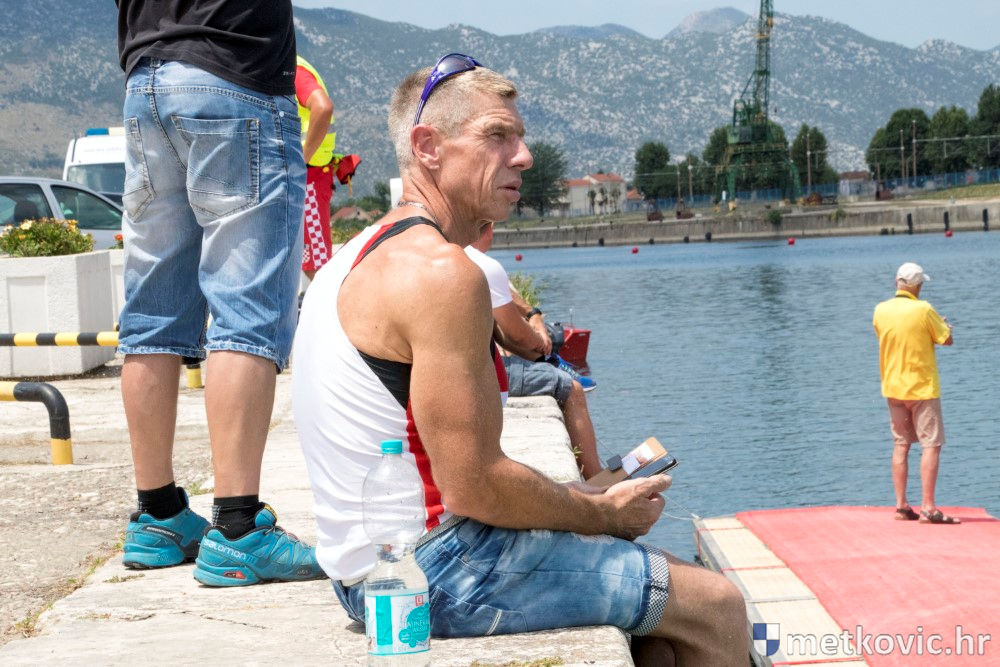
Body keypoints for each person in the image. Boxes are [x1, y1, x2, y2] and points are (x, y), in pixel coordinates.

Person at [292, 53, 746, 664]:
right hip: (435, 570)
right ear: (427, 147)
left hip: (367, 571)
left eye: (521, 137)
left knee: (662, 642)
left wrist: (573, 499)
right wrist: (599, 514)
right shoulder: (442, 273)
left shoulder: (351, 258)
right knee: (717, 606)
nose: (524, 157)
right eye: (497, 136)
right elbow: (472, 486)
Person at [115, 0, 323, 585]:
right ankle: (238, 528)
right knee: (246, 313)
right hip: (235, 75)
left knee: (152, 314)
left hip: (147, 82)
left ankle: (157, 516)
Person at [465, 223, 603, 478]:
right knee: (572, 389)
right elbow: (516, 334)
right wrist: (540, 338)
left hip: (452, 368)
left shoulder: (448, 254)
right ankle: (597, 479)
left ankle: (548, 361)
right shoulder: (483, 264)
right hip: (477, 375)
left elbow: (502, 328)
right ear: (490, 228)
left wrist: (532, 321)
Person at [873, 262, 959, 525]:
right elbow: (946, 339)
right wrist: (945, 327)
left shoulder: (880, 310)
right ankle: (928, 508)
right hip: (921, 389)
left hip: (893, 388)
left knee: (901, 444)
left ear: (896, 282)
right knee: (931, 445)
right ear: (918, 286)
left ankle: (901, 506)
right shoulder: (924, 309)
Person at [295, 55, 337, 281]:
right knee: (307, 257)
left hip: (309, 173)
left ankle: (333, 303)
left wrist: (301, 159)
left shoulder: (293, 69)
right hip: (305, 173)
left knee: (316, 263)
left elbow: (323, 107)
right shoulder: (289, 65)